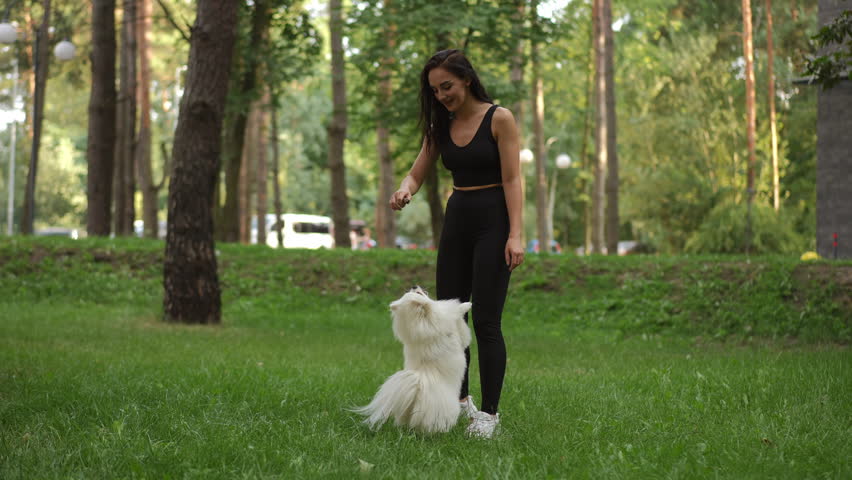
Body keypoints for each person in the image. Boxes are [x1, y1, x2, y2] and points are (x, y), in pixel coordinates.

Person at [389, 49, 524, 438]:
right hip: (458, 219)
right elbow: (416, 174)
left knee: (485, 321)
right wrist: (404, 190)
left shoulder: (499, 119)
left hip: (494, 221)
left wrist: (515, 234)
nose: (441, 95)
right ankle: (461, 403)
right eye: (434, 90)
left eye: (446, 86)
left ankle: (490, 415)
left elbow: (514, 180)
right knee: (448, 320)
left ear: (466, 78)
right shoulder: (440, 128)